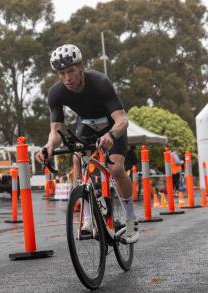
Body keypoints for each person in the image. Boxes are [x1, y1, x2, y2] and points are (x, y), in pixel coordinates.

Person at [35, 44, 139, 244]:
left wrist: (112, 134)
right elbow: (56, 130)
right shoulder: (56, 93)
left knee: (116, 169)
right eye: (62, 73)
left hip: (110, 125)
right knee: (77, 160)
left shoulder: (100, 82)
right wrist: (49, 146)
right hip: (87, 126)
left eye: (71, 71)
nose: (67, 78)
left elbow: (122, 120)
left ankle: (131, 219)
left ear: (81, 67)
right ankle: (88, 221)